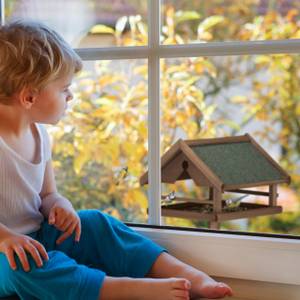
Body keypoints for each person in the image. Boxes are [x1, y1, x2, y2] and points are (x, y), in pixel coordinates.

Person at [0, 20, 233, 300]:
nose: (70, 96)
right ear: (28, 96)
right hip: (5, 256)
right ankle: (125, 289)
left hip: (38, 239)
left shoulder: (39, 134)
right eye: (64, 89)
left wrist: (60, 205)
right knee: (24, 269)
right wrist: (6, 238)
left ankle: (190, 275)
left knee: (96, 224)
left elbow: (47, 194)